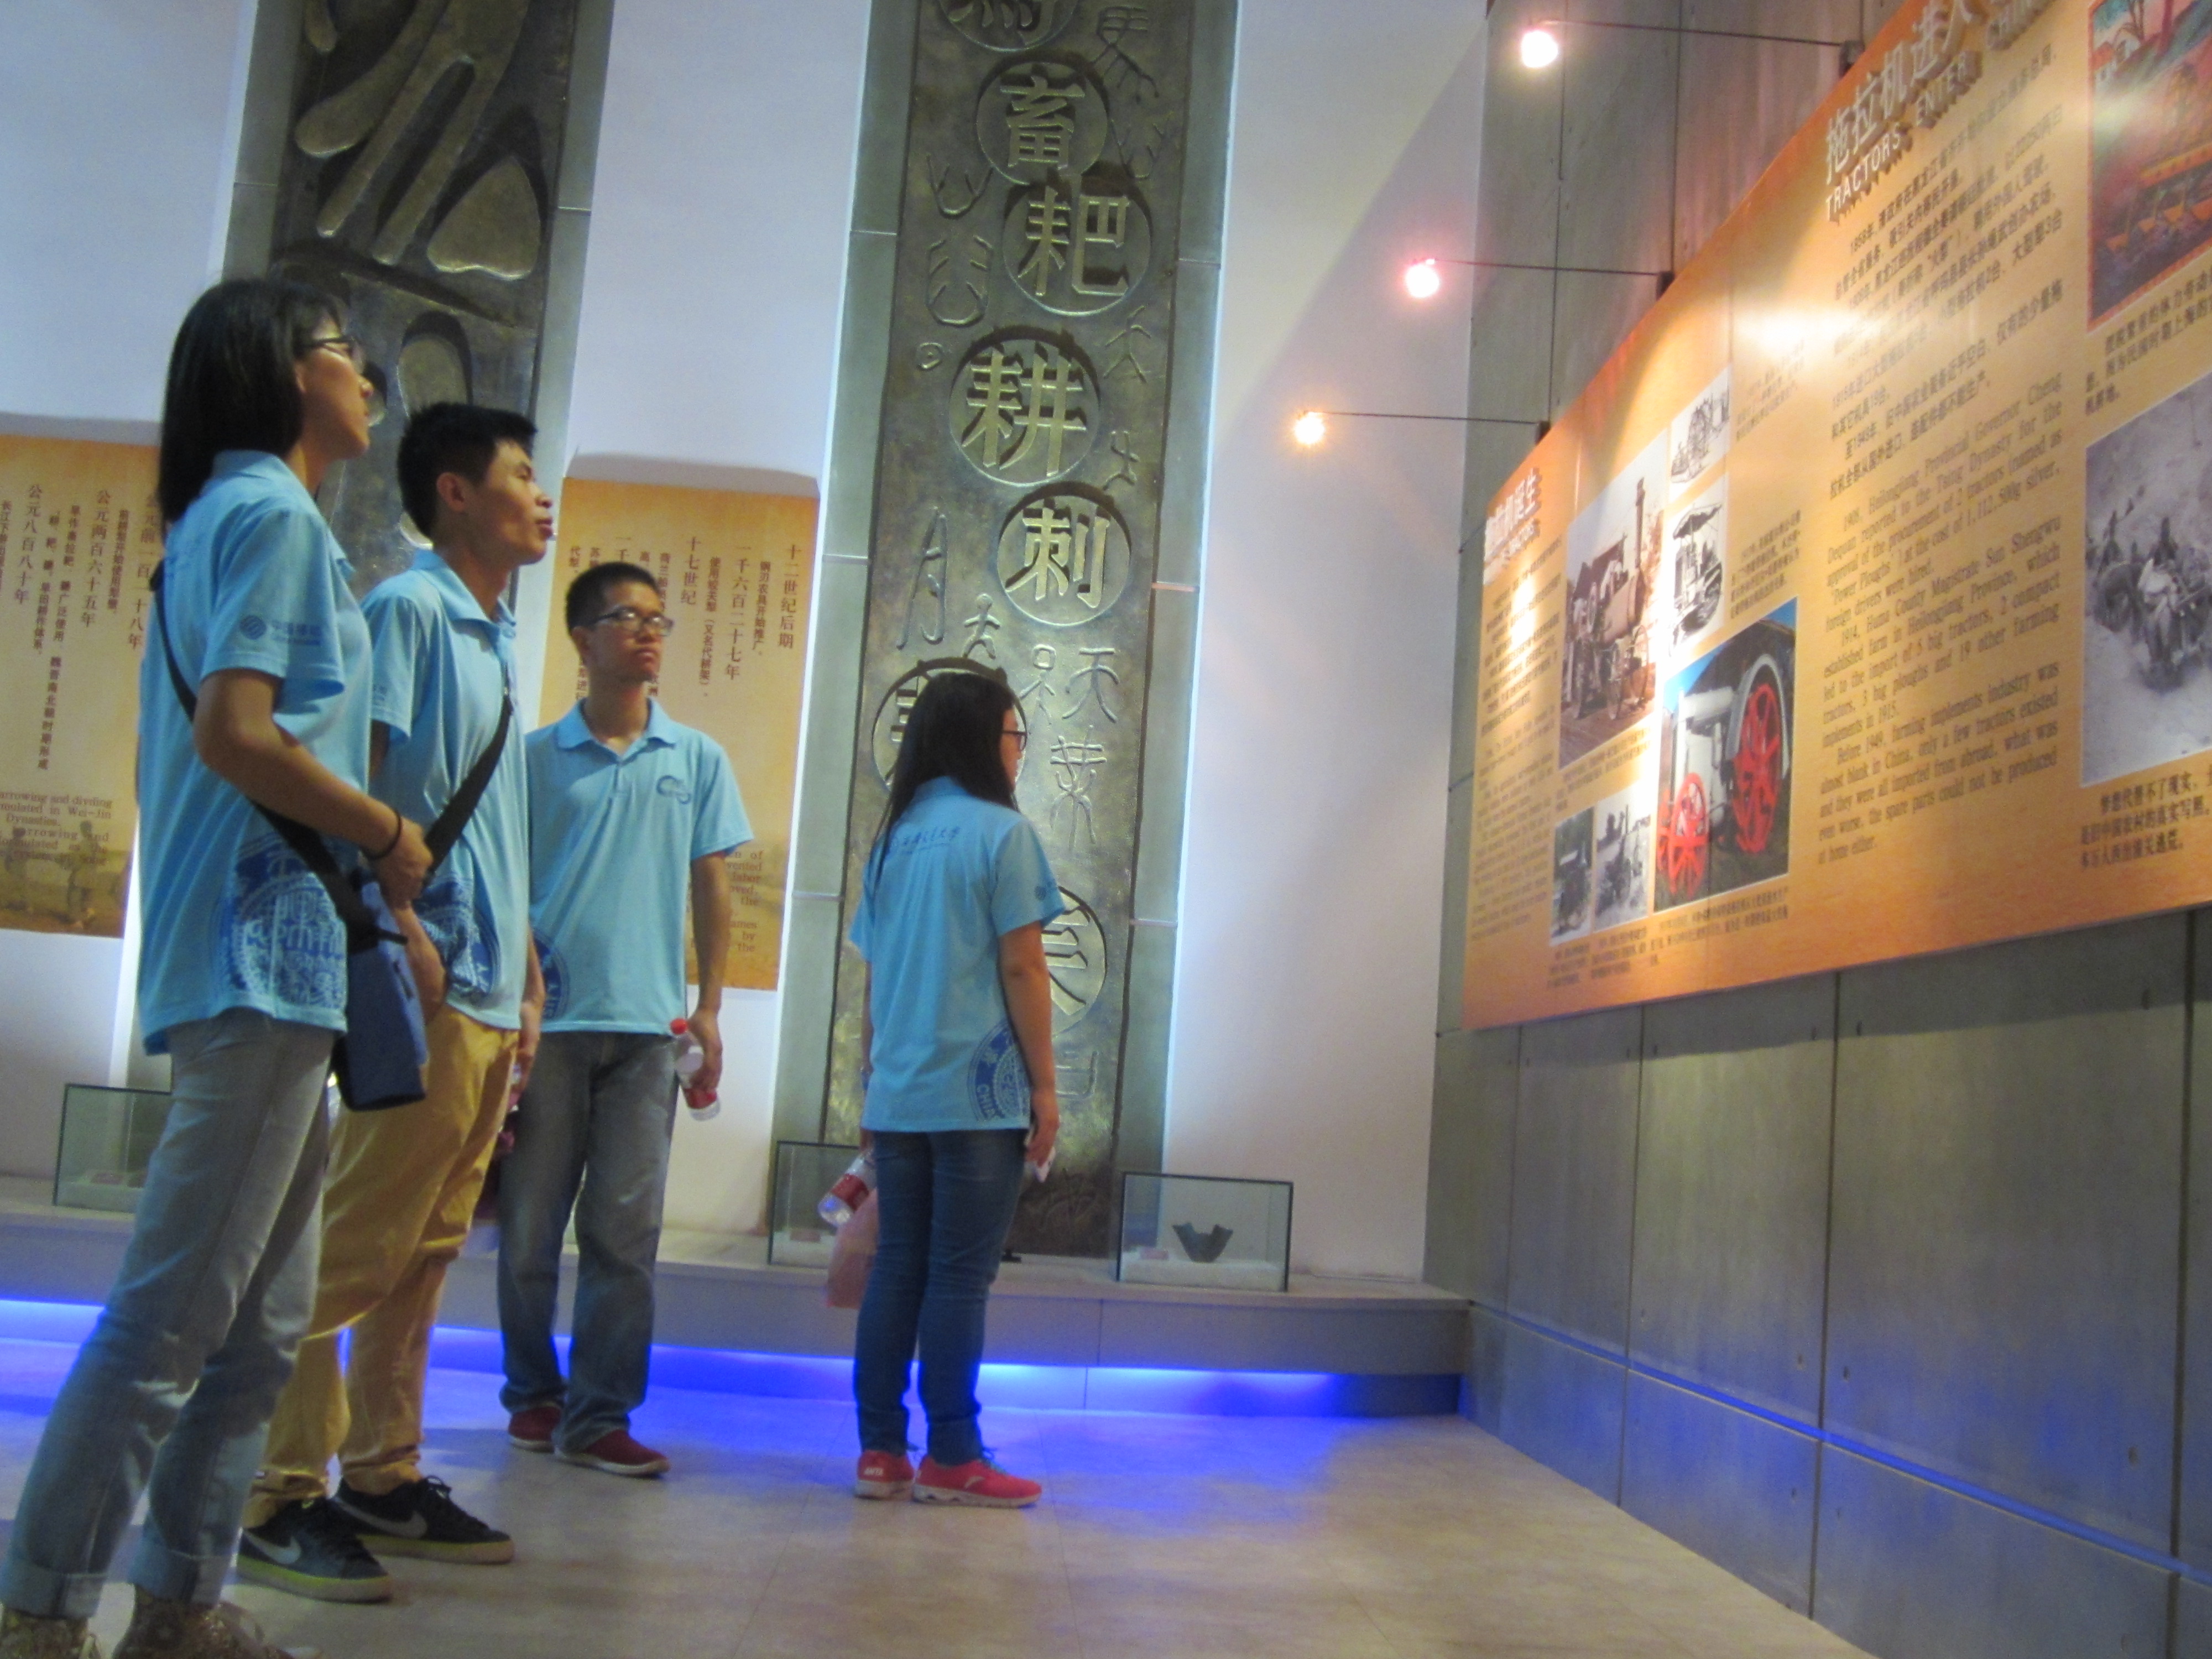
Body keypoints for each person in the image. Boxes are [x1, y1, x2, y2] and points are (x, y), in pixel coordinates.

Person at [0, 278, 427, 1659]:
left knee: (258, 1324)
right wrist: (386, 834)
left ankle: (184, 1600)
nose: (364, 373)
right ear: (284, 372)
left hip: (268, 956)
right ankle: (43, 1606)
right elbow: (238, 736)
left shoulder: (222, 519)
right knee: (176, 1316)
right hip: (259, 956)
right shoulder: (271, 517)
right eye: (342, 350)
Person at [239, 403, 549, 1603]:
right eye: (520, 473)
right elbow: (359, 789)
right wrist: (402, 930)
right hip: (425, 979)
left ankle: (382, 1469)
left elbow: (488, 825)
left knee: (423, 1252)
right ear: (456, 494)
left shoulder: (491, 636)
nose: (541, 494)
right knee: (353, 1244)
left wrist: (526, 977)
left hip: (484, 989)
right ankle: (273, 1488)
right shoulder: (410, 612)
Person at [497, 562, 749, 1477]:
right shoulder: (533, 759)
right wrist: (515, 1004)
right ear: (582, 638)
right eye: (625, 618)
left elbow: (712, 885)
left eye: (657, 619)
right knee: (530, 1229)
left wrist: (708, 1007)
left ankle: (600, 1413)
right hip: (549, 1026)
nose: (647, 633)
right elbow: (506, 886)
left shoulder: (696, 758)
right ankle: (534, 1393)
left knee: (625, 1235)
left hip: (650, 1033)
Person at [848, 670, 1060, 1509]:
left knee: (897, 1267)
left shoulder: (893, 840)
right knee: (960, 1278)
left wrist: (871, 1086)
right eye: (1014, 734)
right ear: (983, 740)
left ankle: (878, 1451)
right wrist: (1046, 1089)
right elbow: (1024, 967)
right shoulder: (1003, 834)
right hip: (978, 1098)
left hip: (900, 1093)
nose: (1018, 751)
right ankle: (953, 1453)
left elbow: (873, 981)